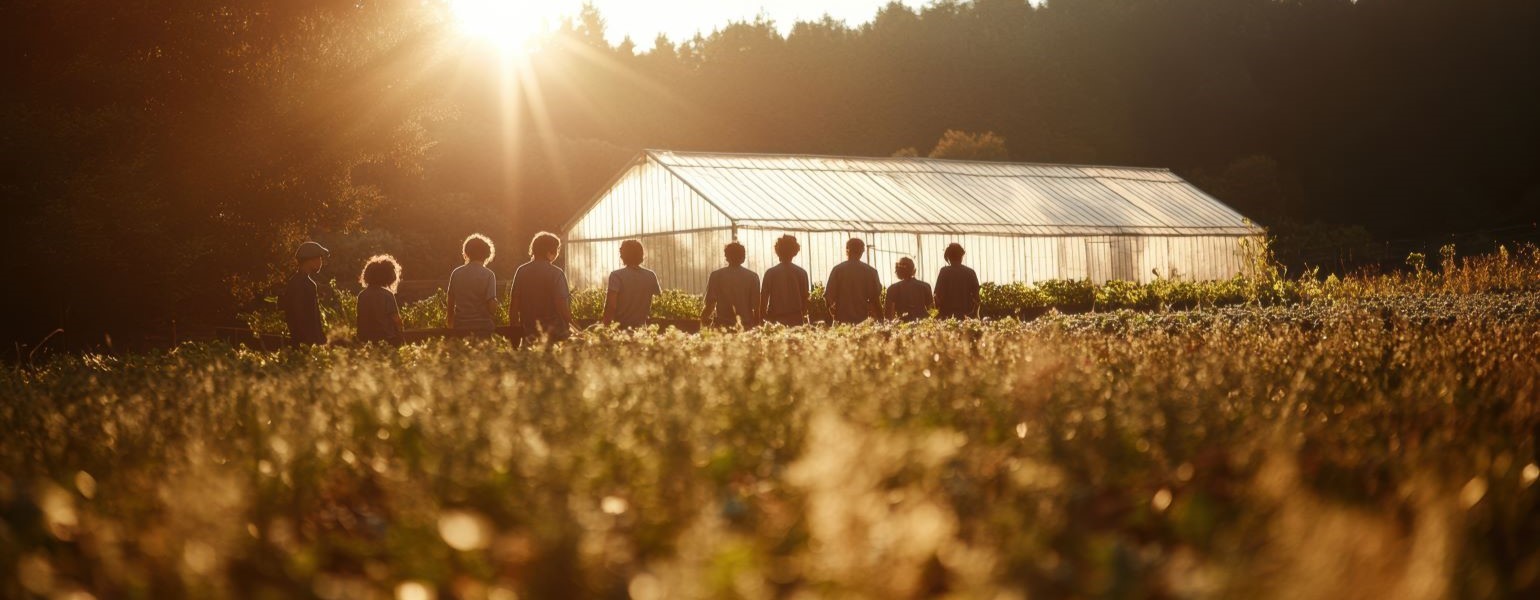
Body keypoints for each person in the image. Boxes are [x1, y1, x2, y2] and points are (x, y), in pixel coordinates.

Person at [509, 231, 574, 342]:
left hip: (529, 331)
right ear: (550, 251)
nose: (558, 253)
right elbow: (561, 304)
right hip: (555, 333)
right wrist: (573, 324)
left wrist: (514, 328)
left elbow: (514, 304)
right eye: (557, 249)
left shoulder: (522, 271)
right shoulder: (556, 273)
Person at [447, 233, 500, 338]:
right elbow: (491, 307)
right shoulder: (489, 275)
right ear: (487, 254)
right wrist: (496, 303)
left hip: (461, 326)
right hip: (483, 328)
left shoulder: (456, 273)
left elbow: (450, 300)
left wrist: (450, 322)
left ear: (466, 252)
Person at [603, 239, 662, 329]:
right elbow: (657, 304)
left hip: (620, 330)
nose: (620, 255)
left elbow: (611, 306)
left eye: (621, 253)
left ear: (624, 255)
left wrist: (605, 327)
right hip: (642, 330)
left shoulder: (616, 276)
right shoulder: (651, 275)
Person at [281, 241, 330, 347]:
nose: (321, 263)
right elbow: (305, 317)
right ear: (310, 260)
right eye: (319, 259)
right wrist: (314, 342)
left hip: (300, 341)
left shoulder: (294, 281)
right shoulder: (305, 284)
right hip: (306, 344)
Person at [702, 241, 760, 329]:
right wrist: (757, 324)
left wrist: (703, 319)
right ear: (743, 257)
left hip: (722, 326)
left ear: (726, 257)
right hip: (745, 326)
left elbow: (710, 304)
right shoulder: (752, 277)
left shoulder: (716, 275)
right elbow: (756, 306)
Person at [825, 238, 883, 324]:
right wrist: (881, 320)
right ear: (862, 251)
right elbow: (875, 299)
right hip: (863, 320)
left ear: (847, 249)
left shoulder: (838, 270)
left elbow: (829, 296)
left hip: (842, 320)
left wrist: (833, 311)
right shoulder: (870, 271)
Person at [760, 234, 810, 326]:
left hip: (775, 319)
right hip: (796, 319)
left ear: (778, 251)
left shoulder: (771, 273)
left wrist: (762, 317)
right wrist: (803, 314)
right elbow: (805, 298)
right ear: (795, 252)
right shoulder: (801, 273)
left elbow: (764, 298)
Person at [356, 255, 405, 346]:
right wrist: (401, 336)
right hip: (387, 339)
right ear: (389, 276)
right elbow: (396, 319)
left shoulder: (362, 295)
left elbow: (360, 319)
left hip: (367, 340)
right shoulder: (387, 295)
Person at [934, 242, 981, 319]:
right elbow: (976, 298)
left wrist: (939, 311)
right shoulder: (970, 272)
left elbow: (937, 295)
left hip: (947, 315)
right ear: (962, 256)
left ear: (948, 257)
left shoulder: (944, 272)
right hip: (965, 315)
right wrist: (975, 315)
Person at [885, 257, 933, 322]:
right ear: (913, 270)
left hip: (903, 325)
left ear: (897, 271)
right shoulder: (925, 286)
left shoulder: (892, 289)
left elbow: (889, 316)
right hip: (923, 324)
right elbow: (932, 311)